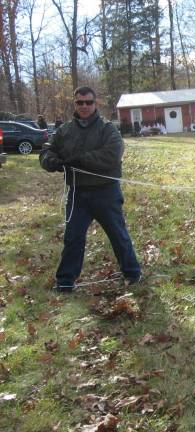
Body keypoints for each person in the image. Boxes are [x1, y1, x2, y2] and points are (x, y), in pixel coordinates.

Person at [38, 86, 141, 292]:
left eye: (88, 102)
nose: (84, 106)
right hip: (77, 194)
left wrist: (80, 160)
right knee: (73, 237)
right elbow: (47, 150)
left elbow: (112, 154)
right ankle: (65, 281)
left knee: (118, 235)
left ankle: (132, 273)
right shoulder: (64, 130)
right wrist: (51, 161)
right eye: (80, 102)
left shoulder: (107, 128)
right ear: (74, 104)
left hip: (106, 192)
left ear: (95, 104)